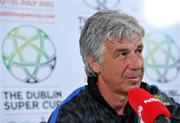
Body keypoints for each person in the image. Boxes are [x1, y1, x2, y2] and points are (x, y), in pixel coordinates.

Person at [48, 9, 180, 123]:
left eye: (138, 51)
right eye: (123, 54)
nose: (137, 64)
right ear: (94, 63)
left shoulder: (152, 97)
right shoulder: (72, 114)